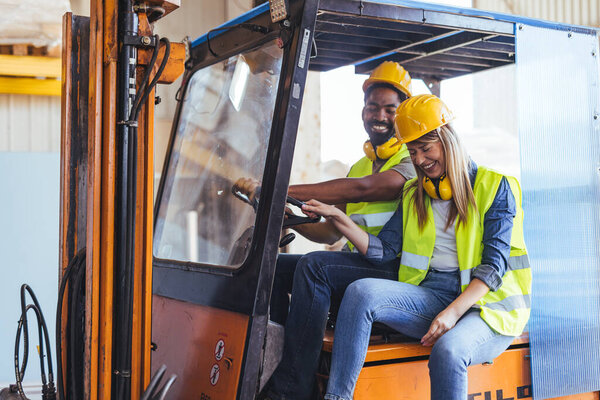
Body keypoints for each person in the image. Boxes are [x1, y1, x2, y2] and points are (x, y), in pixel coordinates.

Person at [300, 94, 532, 400]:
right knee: (361, 291)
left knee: (448, 353)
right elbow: (382, 250)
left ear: (448, 139)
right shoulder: (414, 193)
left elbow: (493, 268)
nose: (420, 160)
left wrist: (452, 313)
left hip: (487, 306)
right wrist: (338, 218)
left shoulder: (495, 186)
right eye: (413, 151)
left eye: (426, 148)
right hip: (433, 293)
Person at [234, 61, 416, 325]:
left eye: (391, 110)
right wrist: (285, 215)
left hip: (390, 266)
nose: (380, 116)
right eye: (372, 107)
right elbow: (330, 232)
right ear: (363, 111)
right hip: (358, 261)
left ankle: (297, 367)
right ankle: (272, 344)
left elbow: (362, 188)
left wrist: (275, 189)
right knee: (270, 268)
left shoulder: (410, 160)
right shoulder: (360, 166)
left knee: (314, 266)